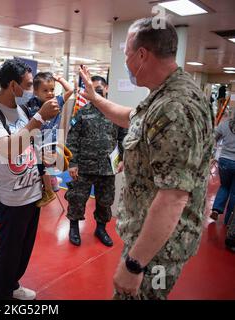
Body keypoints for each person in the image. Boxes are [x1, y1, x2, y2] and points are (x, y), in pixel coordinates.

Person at [77, 17, 213, 300]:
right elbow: (130, 118)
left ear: (141, 55)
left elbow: (173, 198)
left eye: (126, 54)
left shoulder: (175, 107)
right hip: (149, 240)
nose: (125, 61)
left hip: (157, 253)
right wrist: (94, 98)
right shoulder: (161, 97)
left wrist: (134, 263)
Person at [0, 59, 59, 300]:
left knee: (23, 250)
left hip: (32, 192)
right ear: (12, 85)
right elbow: (7, 149)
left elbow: (27, 143)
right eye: (27, 84)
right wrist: (39, 119)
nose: (31, 90)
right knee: (8, 252)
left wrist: (42, 155)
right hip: (12, 197)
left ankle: (12, 285)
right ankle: (0, 295)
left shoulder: (21, 110)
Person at [65, 76, 127, 247]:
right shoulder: (82, 112)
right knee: (77, 198)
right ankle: (74, 227)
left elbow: (123, 138)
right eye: (94, 88)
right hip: (84, 167)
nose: (98, 91)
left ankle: (101, 229)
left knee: (105, 201)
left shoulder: (115, 112)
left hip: (107, 168)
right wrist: (72, 163)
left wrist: (122, 159)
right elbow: (72, 139)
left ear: (106, 88)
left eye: (100, 88)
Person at [25, 72, 73, 207]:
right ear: (35, 91)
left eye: (52, 89)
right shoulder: (30, 104)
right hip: (36, 142)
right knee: (41, 166)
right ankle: (52, 182)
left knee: (43, 166)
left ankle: (49, 190)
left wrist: (60, 79)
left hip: (49, 142)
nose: (50, 93)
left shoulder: (56, 101)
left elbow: (70, 90)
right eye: (45, 90)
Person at [211, 115, 235, 225]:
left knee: (224, 186)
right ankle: (228, 220)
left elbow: (213, 138)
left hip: (224, 160)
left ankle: (216, 209)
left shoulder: (225, 124)